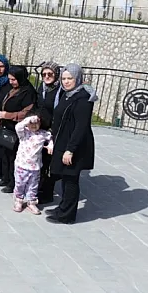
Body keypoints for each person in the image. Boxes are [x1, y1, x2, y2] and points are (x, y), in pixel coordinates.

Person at [45, 64, 97, 224]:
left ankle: (67, 215)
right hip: (63, 141)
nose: (66, 82)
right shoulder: (67, 94)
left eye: (70, 79)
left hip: (74, 145)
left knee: (70, 179)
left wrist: (70, 150)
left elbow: (81, 127)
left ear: (78, 79)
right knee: (66, 178)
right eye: (64, 78)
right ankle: (63, 207)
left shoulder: (83, 99)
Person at [0, 66, 37, 194]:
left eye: (14, 79)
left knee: (13, 156)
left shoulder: (28, 92)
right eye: (10, 79)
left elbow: (27, 112)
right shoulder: (13, 89)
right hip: (7, 127)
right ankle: (6, 177)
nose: (11, 82)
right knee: (5, 154)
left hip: (18, 129)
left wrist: (8, 115)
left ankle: (13, 182)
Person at [13, 112, 53, 215]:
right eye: (31, 123)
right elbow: (18, 127)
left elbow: (50, 138)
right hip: (22, 165)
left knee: (33, 185)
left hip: (35, 167)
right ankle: (19, 200)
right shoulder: (24, 133)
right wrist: (28, 120)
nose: (34, 125)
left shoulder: (43, 134)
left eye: (37, 123)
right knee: (19, 184)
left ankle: (31, 202)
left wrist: (50, 146)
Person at [35, 61, 62, 204]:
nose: (47, 76)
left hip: (53, 130)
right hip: (42, 128)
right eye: (44, 74)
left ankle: (48, 192)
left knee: (49, 162)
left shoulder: (60, 90)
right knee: (41, 160)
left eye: (50, 74)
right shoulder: (43, 87)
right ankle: (40, 187)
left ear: (56, 74)